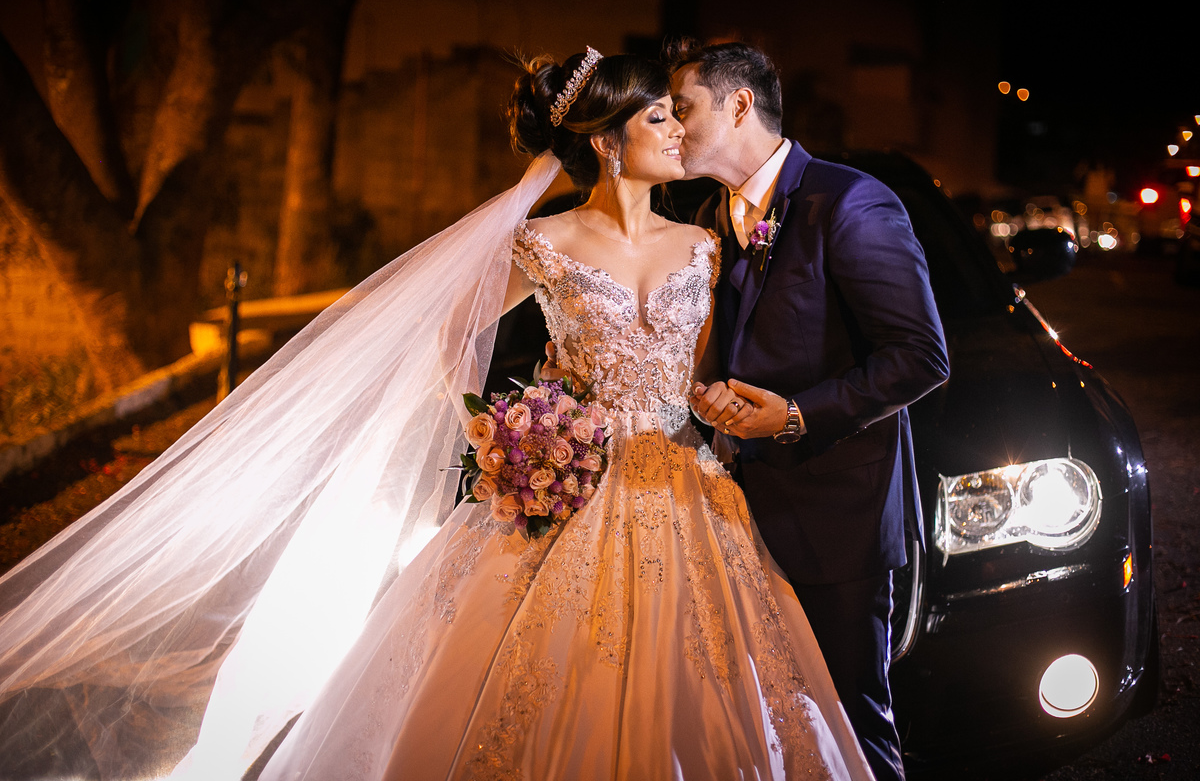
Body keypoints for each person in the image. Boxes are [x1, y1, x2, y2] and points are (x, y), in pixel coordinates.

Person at [0, 49, 873, 780]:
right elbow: (446, 344)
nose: (679, 132)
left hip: (691, 491)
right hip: (575, 498)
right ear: (609, 144)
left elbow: (708, 367)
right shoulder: (545, 245)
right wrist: (521, 435)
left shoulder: (706, 244)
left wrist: (719, 404)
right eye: (658, 121)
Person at [672, 41, 950, 781]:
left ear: (737, 105)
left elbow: (922, 356)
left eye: (684, 106)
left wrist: (795, 415)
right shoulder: (709, 213)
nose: (672, 123)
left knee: (850, 731)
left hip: (838, 521)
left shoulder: (849, 201)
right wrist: (712, 397)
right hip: (736, 517)